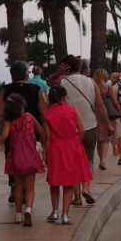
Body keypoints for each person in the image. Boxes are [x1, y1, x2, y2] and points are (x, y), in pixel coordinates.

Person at [0, 89, 48, 225]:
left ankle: (19, 214)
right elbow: (42, 133)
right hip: (30, 156)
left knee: (18, 187)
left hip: (15, 158)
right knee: (30, 188)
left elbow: (4, 136)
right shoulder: (29, 117)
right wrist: (44, 146)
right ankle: (29, 209)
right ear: (22, 106)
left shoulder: (9, 122)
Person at [54, 55, 103, 204]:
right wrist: (107, 124)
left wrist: (58, 72)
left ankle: (76, 197)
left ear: (65, 67)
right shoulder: (91, 82)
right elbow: (99, 105)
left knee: (73, 161)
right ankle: (86, 188)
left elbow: (49, 84)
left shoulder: (61, 82)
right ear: (80, 67)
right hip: (89, 125)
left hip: (70, 128)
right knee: (88, 159)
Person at [43, 84, 91, 225]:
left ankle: (54, 211)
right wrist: (75, 142)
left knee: (54, 182)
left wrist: (45, 155)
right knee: (69, 183)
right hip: (72, 146)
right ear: (64, 98)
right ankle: (65, 214)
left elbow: (47, 137)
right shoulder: (72, 110)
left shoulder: (47, 115)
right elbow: (81, 130)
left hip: (56, 148)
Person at [92, 67, 120, 170]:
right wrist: (120, 113)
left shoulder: (93, 87)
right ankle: (103, 160)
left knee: (99, 138)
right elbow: (115, 101)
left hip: (95, 114)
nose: (108, 76)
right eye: (107, 74)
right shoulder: (108, 88)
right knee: (106, 138)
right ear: (103, 76)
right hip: (107, 114)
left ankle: (100, 159)